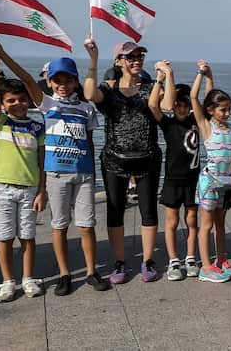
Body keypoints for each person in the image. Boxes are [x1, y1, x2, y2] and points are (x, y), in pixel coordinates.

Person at [85, 39, 164, 284]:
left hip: (147, 158)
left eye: (139, 56)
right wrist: (93, 60)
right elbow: (89, 94)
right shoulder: (108, 89)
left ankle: (148, 260)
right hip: (114, 160)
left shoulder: (150, 87)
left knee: (148, 211)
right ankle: (119, 262)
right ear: (119, 61)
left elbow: (166, 105)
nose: (136, 60)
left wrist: (164, 79)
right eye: (130, 57)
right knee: (115, 211)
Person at [40, 49, 110, 296]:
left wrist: (91, 172)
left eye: (68, 80)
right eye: (57, 80)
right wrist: (0, 59)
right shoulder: (47, 104)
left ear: (75, 81)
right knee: (59, 225)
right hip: (56, 174)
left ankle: (91, 272)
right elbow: (26, 81)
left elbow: (89, 142)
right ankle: (64, 274)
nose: (63, 85)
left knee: (87, 225)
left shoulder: (87, 108)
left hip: (83, 175)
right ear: (49, 82)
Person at [0, 40, 47, 301]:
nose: (17, 103)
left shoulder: (37, 128)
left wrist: (42, 191)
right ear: (3, 104)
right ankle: (8, 281)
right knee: (5, 236)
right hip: (2, 188)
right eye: (11, 100)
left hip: (30, 189)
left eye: (21, 99)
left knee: (27, 236)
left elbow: (42, 162)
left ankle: (28, 278)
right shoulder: (1, 122)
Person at [188, 60, 231, 283]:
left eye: (228, 109)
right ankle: (206, 267)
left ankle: (221, 259)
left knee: (220, 224)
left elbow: (210, 97)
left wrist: (211, 76)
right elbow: (194, 97)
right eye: (222, 110)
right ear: (211, 111)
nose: (226, 113)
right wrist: (201, 74)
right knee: (206, 224)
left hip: (224, 184)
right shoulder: (208, 126)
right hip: (209, 183)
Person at [155, 64, 199, 281]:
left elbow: (202, 100)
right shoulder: (168, 123)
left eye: (185, 105)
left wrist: (203, 75)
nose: (181, 109)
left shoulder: (196, 121)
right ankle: (173, 260)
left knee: (191, 219)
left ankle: (190, 257)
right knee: (171, 221)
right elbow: (153, 105)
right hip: (173, 180)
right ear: (172, 105)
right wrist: (162, 78)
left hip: (193, 179)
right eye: (178, 105)